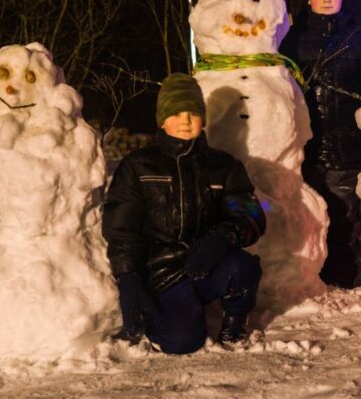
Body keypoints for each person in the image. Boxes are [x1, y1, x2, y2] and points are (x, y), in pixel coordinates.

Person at [102, 73, 266, 354]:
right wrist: (128, 277)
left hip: (208, 263)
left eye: (192, 112)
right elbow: (122, 229)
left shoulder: (224, 166)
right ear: (162, 119)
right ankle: (176, 315)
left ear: (203, 118)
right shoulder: (139, 166)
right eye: (175, 113)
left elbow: (252, 214)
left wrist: (222, 238)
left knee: (242, 266)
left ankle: (234, 320)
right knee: (181, 342)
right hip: (163, 271)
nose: (185, 120)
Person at [281, 0, 361, 289]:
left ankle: (352, 277)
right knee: (316, 214)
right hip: (309, 147)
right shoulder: (292, 40)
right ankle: (319, 276)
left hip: (350, 144)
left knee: (350, 214)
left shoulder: (356, 37)